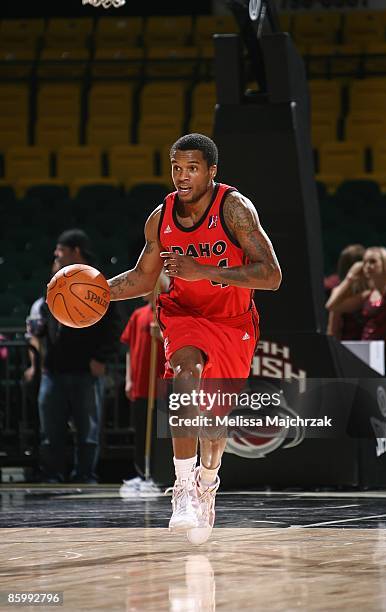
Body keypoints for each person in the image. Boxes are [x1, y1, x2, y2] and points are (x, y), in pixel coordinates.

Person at [106, 133, 282, 544]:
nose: (182, 177)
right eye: (176, 167)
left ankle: (207, 480)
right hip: (183, 314)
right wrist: (97, 292)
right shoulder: (160, 217)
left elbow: (271, 275)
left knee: (215, 426)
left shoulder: (235, 209)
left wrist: (204, 270)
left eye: (192, 168)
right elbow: (142, 278)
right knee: (185, 376)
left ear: (211, 172)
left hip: (232, 320)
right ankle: (183, 489)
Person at [34, 229, 120, 483]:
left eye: (60, 249)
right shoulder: (55, 280)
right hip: (54, 368)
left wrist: (102, 358)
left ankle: (85, 475)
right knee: (50, 430)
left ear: (75, 251)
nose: (55, 254)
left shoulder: (96, 281)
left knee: (88, 432)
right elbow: (44, 323)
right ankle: (52, 474)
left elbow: (114, 327)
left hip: (86, 369)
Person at [326, 246, 386, 378]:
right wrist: (350, 278)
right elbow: (332, 305)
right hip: (367, 359)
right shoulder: (368, 295)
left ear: (385, 264)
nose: (367, 266)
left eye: (373, 262)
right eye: (364, 262)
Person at [119, 279, 167, 498]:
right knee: (141, 431)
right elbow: (130, 349)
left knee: (160, 433)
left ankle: (159, 474)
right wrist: (129, 379)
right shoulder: (137, 315)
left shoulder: (166, 314)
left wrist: (161, 335)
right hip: (140, 384)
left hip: (162, 385)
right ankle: (141, 472)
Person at [326, 244, 366, 340]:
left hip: (347, 346)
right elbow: (334, 328)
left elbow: (333, 330)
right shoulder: (372, 291)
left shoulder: (338, 290)